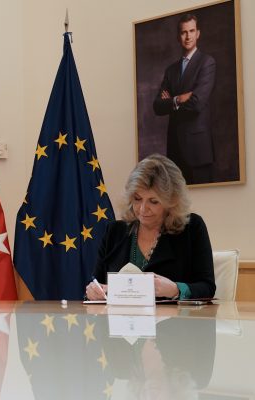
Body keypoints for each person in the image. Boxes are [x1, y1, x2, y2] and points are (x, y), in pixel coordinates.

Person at [86, 154, 215, 301]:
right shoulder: (114, 231)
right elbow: (96, 283)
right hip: (120, 315)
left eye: (153, 201)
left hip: (174, 316)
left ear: (172, 201)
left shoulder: (192, 228)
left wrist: (175, 289)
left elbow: (207, 287)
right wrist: (93, 292)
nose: (142, 209)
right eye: (137, 199)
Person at [152, 13, 216, 184]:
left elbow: (197, 103)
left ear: (198, 33)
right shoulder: (171, 70)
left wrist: (170, 102)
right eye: (183, 32)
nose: (188, 36)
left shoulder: (207, 63)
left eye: (191, 31)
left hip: (198, 150)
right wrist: (178, 99)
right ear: (178, 36)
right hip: (175, 151)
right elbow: (157, 106)